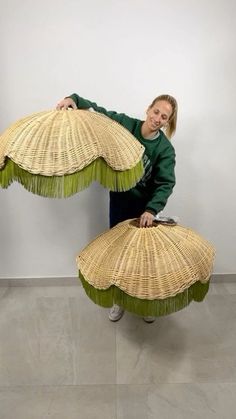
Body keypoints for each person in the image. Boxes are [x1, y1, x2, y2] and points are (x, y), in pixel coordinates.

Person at [56, 93, 178, 323]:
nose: (158, 118)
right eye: (156, 112)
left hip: (145, 212)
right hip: (120, 203)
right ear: (148, 109)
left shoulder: (165, 150)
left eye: (164, 117)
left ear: (167, 122)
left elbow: (165, 183)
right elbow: (100, 114)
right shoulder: (127, 125)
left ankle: (146, 302)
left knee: (144, 259)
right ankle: (120, 300)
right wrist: (74, 100)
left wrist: (152, 210)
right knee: (118, 254)